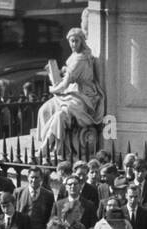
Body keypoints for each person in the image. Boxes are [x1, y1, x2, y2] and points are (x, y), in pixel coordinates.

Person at [35, 27, 105, 158]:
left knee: (60, 115)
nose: (73, 44)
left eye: (76, 41)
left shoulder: (81, 59)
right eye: (71, 41)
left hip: (83, 97)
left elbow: (64, 84)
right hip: (71, 92)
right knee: (44, 109)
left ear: (82, 41)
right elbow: (69, 77)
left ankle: (46, 147)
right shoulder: (76, 55)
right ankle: (52, 145)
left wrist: (52, 88)